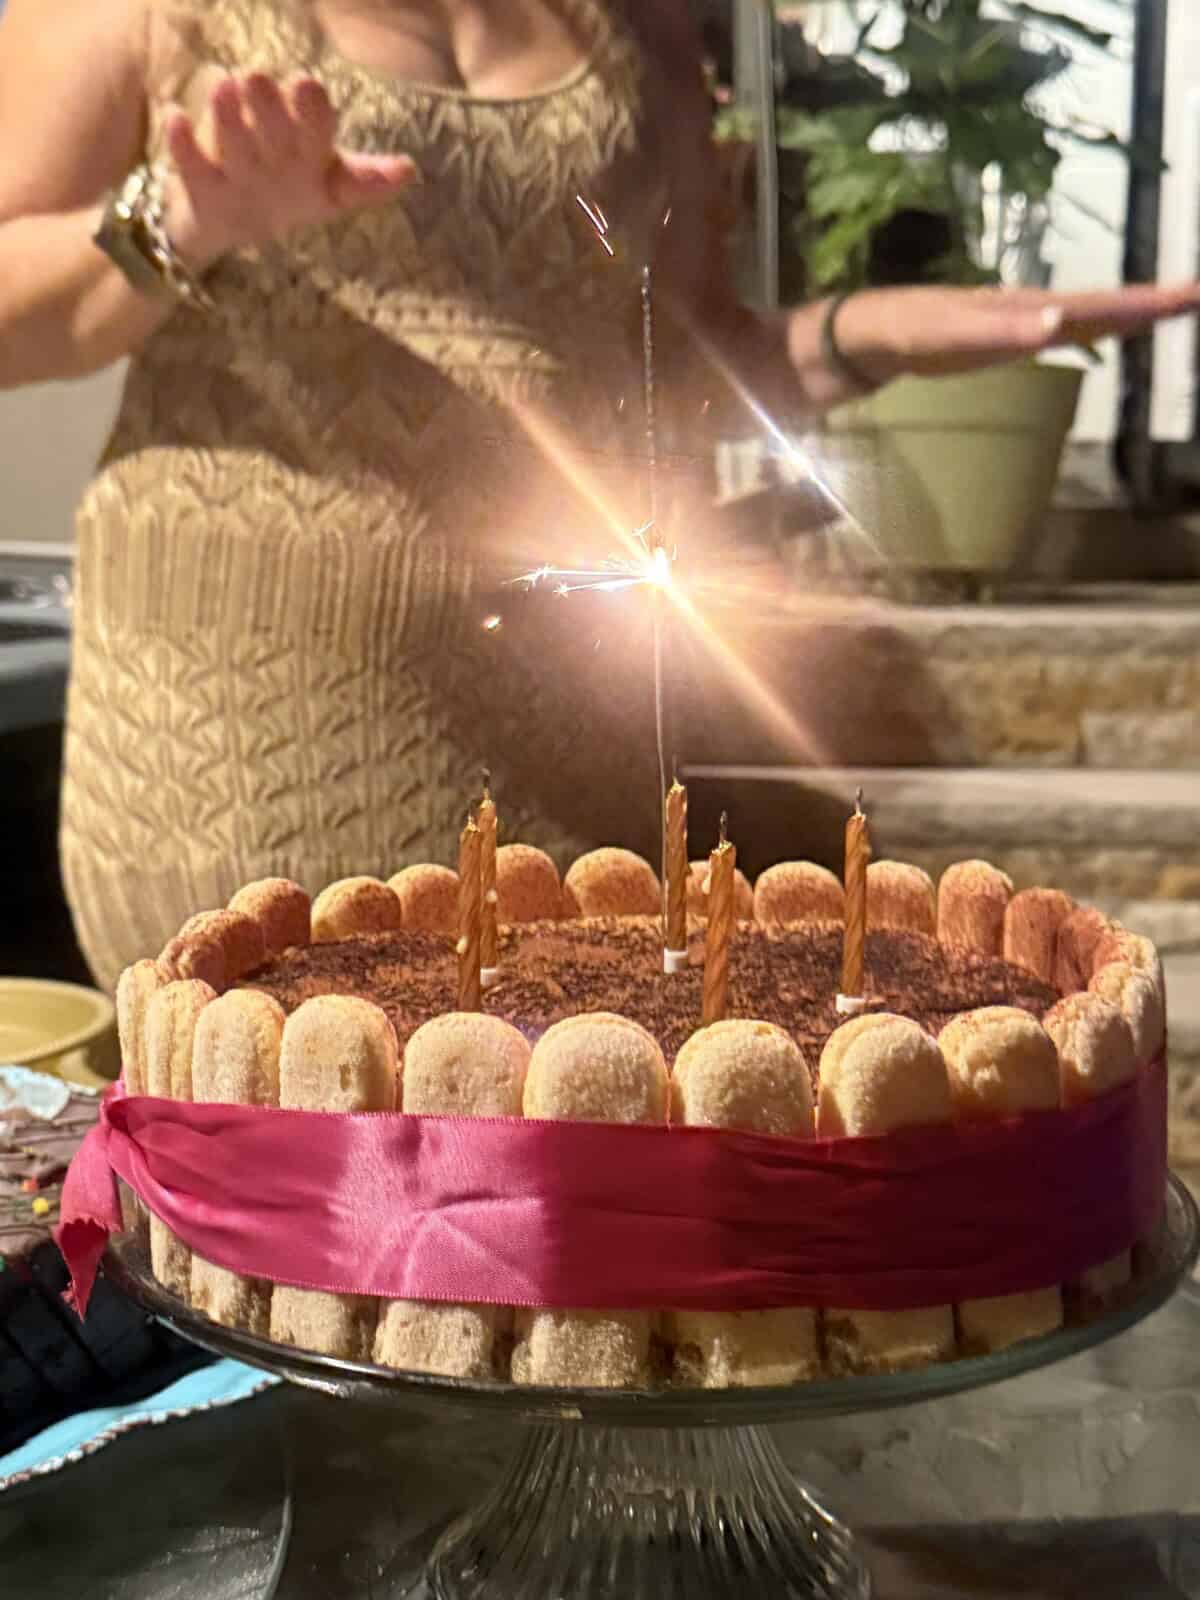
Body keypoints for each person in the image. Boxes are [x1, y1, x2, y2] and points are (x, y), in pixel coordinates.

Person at [1, 0, 1197, 992]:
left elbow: (660, 374)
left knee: (568, 1191)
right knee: (290, 1206)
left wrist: (861, 336)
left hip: (557, 735)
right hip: (230, 736)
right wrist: (177, 219)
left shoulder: (642, 27)